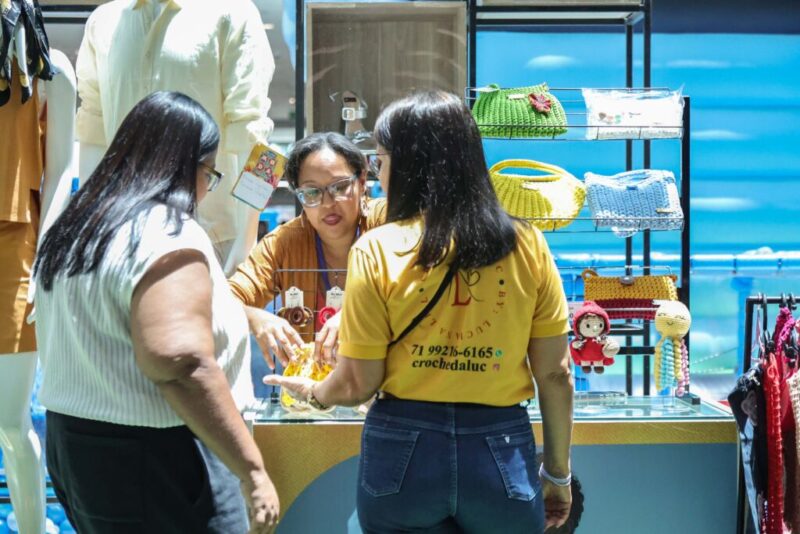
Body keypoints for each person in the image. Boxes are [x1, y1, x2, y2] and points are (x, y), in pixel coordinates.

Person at [266, 91, 574, 533]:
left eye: (382, 160)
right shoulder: (526, 244)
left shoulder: (376, 248)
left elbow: (357, 383)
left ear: (409, 164)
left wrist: (315, 393)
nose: (380, 173)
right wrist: (558, 474)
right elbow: (556, 374)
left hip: (402, 453)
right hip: (500, 450)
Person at [33, 91, 278, 533]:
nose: (205, 189)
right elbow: (179, 360)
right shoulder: (166, 232)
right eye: (209, 173)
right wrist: (253, 470)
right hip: (159, 455)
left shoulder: (77, 227)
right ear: (185, 166)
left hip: (79, 446)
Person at [229, 132, 385, 367]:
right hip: (313, 385)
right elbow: (223, 300)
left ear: (362, 181)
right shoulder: (284, 243)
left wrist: (354, 316)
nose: (327, 203)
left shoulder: (385, 222)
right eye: (312, 193)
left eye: (340, 187)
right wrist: (253, 316)